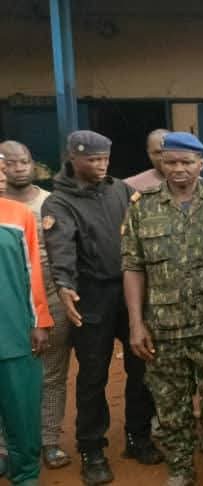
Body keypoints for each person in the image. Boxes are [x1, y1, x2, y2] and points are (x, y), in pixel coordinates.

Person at [42, 130, 163, 485]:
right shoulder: (59, 202)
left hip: (130, 290)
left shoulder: (119, 190)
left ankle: (138, 436)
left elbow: (141, 233)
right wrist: (65, 285)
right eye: (92, 160)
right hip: (90, 296)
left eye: (105, 159)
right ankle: (92, 449)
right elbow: (61, 247)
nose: (100, 165)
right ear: (73, 158)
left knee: (142, 365)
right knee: (93, 375)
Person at [121, 132, 203, 486]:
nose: (178, 169)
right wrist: (136, 323)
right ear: (161, 162)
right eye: (171, 162)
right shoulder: (142, 206)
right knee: (171, 407)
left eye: (187, 162)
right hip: (164, 328)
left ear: (201, 164)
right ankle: (181, 470)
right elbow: (133, 266)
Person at [0, 141, 74, 470]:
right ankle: (6, 446)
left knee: (52, 373)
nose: (18, 169)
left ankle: (49, 440)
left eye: (24, 161)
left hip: (52, 299)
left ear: (34, 164)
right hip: (7, 304)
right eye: (9, 163)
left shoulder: (50, 203)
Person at [0, 153, 53, 486]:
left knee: (21, 410)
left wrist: (39, 322)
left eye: (1, 169)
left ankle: (25, 474)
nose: (2, 175)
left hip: (14, 332)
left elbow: (32, 273)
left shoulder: (19, 215)